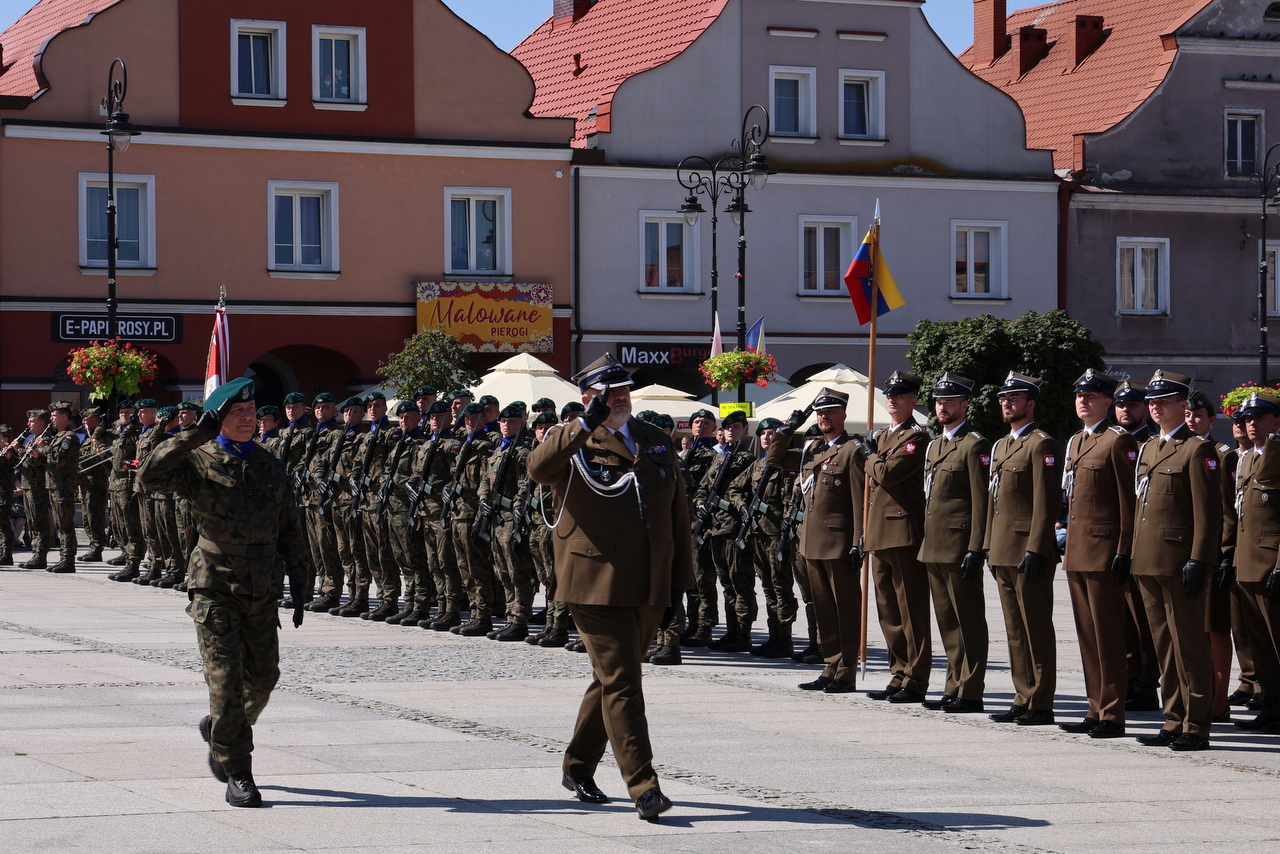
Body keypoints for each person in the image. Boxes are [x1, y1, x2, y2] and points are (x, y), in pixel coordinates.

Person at [527, 354, 691, 821]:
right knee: (623, 681)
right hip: (594, 582)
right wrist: (583, 422)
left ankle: (577, 765)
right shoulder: (572, 439)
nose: (620, 397)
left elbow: (677, 515)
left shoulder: (655, 440)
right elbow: (538, 468)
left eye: (624, 390)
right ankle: (644, 786)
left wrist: (680, 584)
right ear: (588, 397)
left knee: (609, 679)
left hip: (648, 582)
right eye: (609, 391)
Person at [138, 377, 307, 808]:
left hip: (262, 583)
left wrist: (302, 579)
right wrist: (195, 433)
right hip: (214, 581)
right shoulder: (197, 460)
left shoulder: (270, 464)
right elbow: (149, 475)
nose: (249, 419)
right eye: (239, 413)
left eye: (252, 413)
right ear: (220, 419)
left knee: (264, 678)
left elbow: (289, 524)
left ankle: (221, 730)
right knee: (225, 679)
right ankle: (238, 770)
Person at [1131, 370, 1221, 751]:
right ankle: (1173, 718)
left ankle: (1197, 724)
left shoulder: (1197, 449)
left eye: (1164, 400)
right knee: (1163, 645)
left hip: (1179, 559)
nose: (1155, 406)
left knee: (1188, 645)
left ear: (1183, 405)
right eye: (1152, 401)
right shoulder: (1150, 447)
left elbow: (1209, 512)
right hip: (1148, 559)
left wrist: (1200, 560)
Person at [766, 388, 865, 694]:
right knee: (823, 609)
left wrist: (858, 541)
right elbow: (776, 458)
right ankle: (830, 666)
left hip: (838, 542)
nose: (824, 417)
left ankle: (846, 671)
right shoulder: (814, 451)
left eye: (831, 412)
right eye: (820, 413)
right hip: (810, 543)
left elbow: (861, 498)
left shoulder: (853, 450)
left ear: (843, 415)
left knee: (844, 610)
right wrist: (787, 429)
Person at [1058, 370, 1138, 739]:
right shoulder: (1076, 442)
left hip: (1105, 551)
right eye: (1079, 395)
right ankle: (1095, 707)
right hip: (1076, 551)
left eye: (1092, 395)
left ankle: (1112, 712)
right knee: (1088, 636)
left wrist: (1124, 550)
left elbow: (1128, 502)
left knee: (1108, 636)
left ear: (1108, 402)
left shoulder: (1117, 441)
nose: (1083, 400)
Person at [985, 372, 1061, 726]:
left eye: (1014, 398)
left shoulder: (1041, 444)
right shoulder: (1001, 446)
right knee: (1014, 629)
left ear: (1030, 404)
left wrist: (1036, 549)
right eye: (1004, 398)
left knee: (1035, 627)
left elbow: (1046, 504)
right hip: (1002, 547)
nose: (1007, 403)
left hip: (1028, 550)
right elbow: (994, 501)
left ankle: (1041, 701)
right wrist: (987, 544)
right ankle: (1022, 695)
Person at [918, 373, 990, 714]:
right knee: (947, 621)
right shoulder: (935, 445)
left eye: (949, 402)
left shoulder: (974, 444)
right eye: (938, 402)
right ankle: (953, 685)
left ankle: (971, 690)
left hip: (960, 545)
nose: (942, 407)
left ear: (964, 405)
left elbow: (981, 500)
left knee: (968, 621)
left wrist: (977, 548)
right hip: (933, 544)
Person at [860, 371, 932, 704]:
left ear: (913, 400)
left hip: (903, 531)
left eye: (900, 394)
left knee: (910, 611)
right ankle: (898, 672)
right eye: (889, 394)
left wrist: (870, 457)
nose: (893, 399)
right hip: (879, 532)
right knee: (888, 611)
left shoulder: (916, 436)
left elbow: (887, 474)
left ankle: (916, 679)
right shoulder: (882, 437)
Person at [1184, 390, 1238, 725]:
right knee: (1192, 630)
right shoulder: (1177, 449)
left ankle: (1218, 701)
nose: (1191, 421)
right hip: (1184, 552)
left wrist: (1225, 553)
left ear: (1211, 420)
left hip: (1212, 554)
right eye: (1188, 416)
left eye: (1198, 416)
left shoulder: (1222, 454)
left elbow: (1228, 511)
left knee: (1214, 629)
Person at [1229, 390, 1280, 733]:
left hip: (1271, 563)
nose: (1251, 423)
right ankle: (1272, 705)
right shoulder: (1246, 458)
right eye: (1247, 418)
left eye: (1259, 417)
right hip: (1245, 562)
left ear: (1275, 421)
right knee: (1258, 644)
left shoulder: (1276, 454)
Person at [729, 417, 800, 659]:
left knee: (781, 586)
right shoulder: (757, 466)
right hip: (757, 533)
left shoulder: (786, 464)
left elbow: (793, 499)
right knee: (768, 586)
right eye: (763, 433)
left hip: (777, 534)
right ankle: (774, 636)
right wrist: (742, 506)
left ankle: (784, 637)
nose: (767, 437)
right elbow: (734, 489)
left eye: (772, 433)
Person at [1114, 380, 1162, 711]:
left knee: (1143, 621)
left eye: (1132, 404)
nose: (1126, 410)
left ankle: (1146, 685)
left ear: (1144, 408)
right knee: (1121, 621)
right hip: (1111, 543)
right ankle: (1129, 680)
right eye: (1121, 404)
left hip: (1141, 543)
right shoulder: (1111, 441)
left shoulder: (1153, 444)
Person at [693, 410, 758, 652]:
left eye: (737, 427)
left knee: (740, 581)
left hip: (734, 528)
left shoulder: (748, 460)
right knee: (726, 582)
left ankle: (743, 633)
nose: (731, 431)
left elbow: (747, 494)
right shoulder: (719, 459)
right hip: (714, 528)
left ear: (745, 431)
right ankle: (732, 631)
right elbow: (703, 487)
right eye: (728, 427)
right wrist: (700, 503)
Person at [476, 404, 537, 641]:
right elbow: (485, 478)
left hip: (511, 518)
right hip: (495, 518)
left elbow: (525, 482)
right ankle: (511, 616)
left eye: (511, 422)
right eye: (502, 422)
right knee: (502, 570)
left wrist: (517, 505)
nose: (506, 425)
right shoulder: (499, 451)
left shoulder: (522, 452)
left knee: (517, 571)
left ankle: (520, 618)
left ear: (521, 423)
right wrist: (483, 498)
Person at [524, 410, 572, 648]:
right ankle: (551, 624)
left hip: (555, 524)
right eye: (540, 428)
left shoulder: (562, 457)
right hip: (536, 524)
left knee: (558, 578)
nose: (544, 431)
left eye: (549, 427)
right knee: (545, 577)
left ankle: (559, 627)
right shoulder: (536, 455)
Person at [34, 402, 81, 574]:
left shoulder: (69, 437)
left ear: (64, 417)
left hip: (63, 487)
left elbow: (60, 460)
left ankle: (68, 560)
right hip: (54, 486)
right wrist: (38, 454)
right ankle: (63, 558)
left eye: (54, 416)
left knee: (65, 525)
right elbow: (51, 461)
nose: (51, 419)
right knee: (61, 525)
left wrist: (44, 448)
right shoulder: (59, 437)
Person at [17, 408, 52, 569]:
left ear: (41, 423)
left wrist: (19, 450)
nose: (28, 424)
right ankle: (35, 553)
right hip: (28, 486)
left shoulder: (45, 441)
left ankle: (40, 555)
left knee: (39, 522)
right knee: (32, 522)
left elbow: (36, 462)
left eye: (32, 421)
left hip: (38, 487)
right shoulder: (32, 440)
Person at [77, 406, 110, 563]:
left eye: (86, 418)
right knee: (87, 517)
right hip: (85, 482)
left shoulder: (100, 436)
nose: (83, 421)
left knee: (94, 516)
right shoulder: (86, 436)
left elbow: (96, 458)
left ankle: (97, 548)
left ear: (95, 420)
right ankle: (93, 547)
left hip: (96, 482)